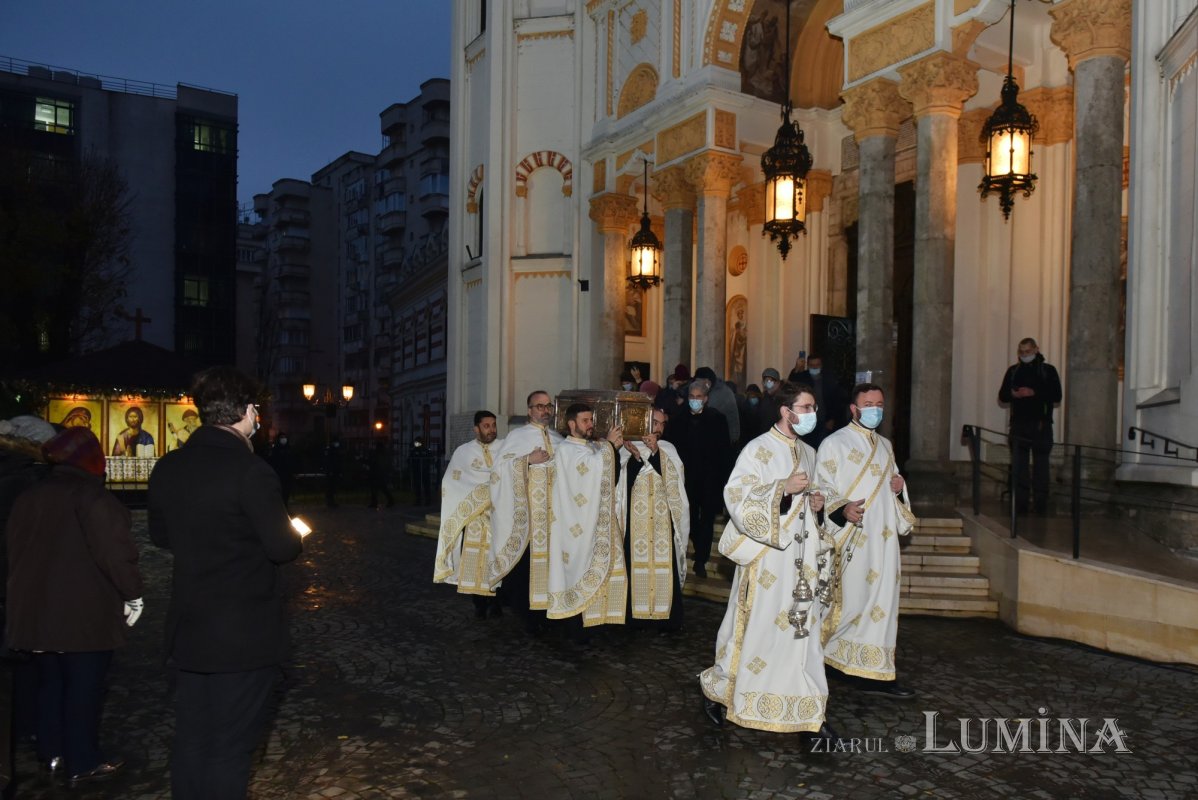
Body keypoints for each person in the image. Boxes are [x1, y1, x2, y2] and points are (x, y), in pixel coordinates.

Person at [148, 366, 303, 800]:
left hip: (189, 629)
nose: (260, 418)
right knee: (229, 749)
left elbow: (161, 536)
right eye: (258, 409)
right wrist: (292, 531)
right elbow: (281, 548)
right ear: (246, 412)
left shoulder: (169, 466)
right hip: (241, 635)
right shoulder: (250, 471)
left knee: (192, 740)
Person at [700, 382, 838, 743]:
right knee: (755, 628)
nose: (812, 414)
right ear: (785, 411)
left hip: (802, 561)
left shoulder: (809, 452)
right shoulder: (757, 450)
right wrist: (781, 490)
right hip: (767, 561)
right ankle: (724, 693)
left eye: (813, 408)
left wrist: (817, 504)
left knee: (801, 634)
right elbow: (736, 496)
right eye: (805, 408)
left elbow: (815, 494)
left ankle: (808, 712)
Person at [7, 428, 143, 788]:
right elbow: (115, 553)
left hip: (35, 612)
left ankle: (50, 751)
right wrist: (133, 594)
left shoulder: (30, 496)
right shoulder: (92, 498)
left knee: (50, 682)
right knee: (84, 686)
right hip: (82, 612)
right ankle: (81, 759)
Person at [816, 383, 917, 698]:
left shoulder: (886, 445)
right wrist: (842, 508)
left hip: (884, 542)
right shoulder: (835, 443)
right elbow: (822, 487)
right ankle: (832, 659)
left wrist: (900, 488)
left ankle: (875, 672)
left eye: (879, 404)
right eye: (868, 403)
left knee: (882, 604)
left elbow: (893, 486)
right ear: (854, 408)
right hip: (853, 539)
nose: (875, 409)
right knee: (852, 604)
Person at [486, 390, 564, 632]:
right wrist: (527, 460)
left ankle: (552, 609)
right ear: (529, 410)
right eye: (539, 406)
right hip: (528, 518)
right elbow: (498, 471)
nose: (545, 410)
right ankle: (528, 613)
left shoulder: (558, 437)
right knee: (527, 567)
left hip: (553, 518)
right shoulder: (517, 436)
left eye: (548, 406)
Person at [545, 403, 627, 626]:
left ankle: (600, 620)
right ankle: (576, 623)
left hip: (595, 521)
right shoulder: (566, 449)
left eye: (591, 420)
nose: (591, 425)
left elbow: (607, 475)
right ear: (572, 424)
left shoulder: (591, 448)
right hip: (576, 526)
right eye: (585, 421)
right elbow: (588, 472)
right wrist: (609, 446)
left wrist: (611, 449)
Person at [619, 407, 689, 631]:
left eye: (662, 424)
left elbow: (675, 483)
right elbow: (621, 484)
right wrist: (637, 458)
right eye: (655, 423)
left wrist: (657, 452)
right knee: (633, 564)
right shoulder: (627, 448)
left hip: (661, 523)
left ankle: (666, 619)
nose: (659, 427)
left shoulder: (668, 449)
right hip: (635, 522)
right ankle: (635, 618)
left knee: (665, 566)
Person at [434, 410, 503, 619]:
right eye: (486, 426)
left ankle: (497, 603)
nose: (491, 430)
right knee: (475, 561)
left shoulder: (505, 449)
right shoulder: (463, 452)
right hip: (474, 518)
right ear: (476, 429)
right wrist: (475, 498)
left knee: (498, 560)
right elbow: (451, 482)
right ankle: (479, 604)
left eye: (493, 425)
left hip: (499, 517)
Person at [663, 381, 734, 579]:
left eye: (698, 397)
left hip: (710, 478)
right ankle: (697, 544)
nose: (695, 400)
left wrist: (724, 479)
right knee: (692, 517)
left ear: (706, 398)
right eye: (692, 397)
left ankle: (701, 560)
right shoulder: (678, 420)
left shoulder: (717, 419)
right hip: (687, 479)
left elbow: (725, 452)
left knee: (708, 519)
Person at [998, 338, 1062, 515]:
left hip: (1041, 424)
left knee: (1041, 466)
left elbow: (1057, 395)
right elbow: (1002, 396)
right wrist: (1013, 394)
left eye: (1027, 351)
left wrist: (1034, 392)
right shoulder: (1013, 371)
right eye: (1022, 352)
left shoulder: (1048, 371)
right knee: (1019, 466)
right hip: (1019, 424)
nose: (1025, 355)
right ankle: (1020, 505)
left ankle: (1041, 505)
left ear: (1036, 349)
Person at [790, 354, 847, 448]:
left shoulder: (829, 379)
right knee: (807, 447)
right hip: (807, 419)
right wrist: (796, 368)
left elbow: (835, 400)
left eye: (817, 365)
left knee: (823, 447)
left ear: (821, 365)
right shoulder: (802, 377)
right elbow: (791, 385)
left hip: (824, 421)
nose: (814, 367)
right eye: (812, 365)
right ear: (807, 365)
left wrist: (831, 419)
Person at [693, 366, 739, 446]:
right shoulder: (713, 389)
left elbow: (704, 414)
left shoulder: (721, 393)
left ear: (707, 382)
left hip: (724, 439)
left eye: (698, 382)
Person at [268, 433, 296, 506]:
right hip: (279, 475)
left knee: (287, 491)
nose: (283, 439)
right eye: (282, 438)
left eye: (285, 437)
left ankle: (285, 505)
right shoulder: (276, 450)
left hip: (288, 475)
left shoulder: (289, 449)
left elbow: (293, 461)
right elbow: (273, 461)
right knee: (280, 491)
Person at [755, 367, 783, 437]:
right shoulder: (764, 398)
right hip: (765, 436)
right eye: (766, 381)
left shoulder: (783, 399)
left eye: (770, 381)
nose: (767, 383)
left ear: (778, 382)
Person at [367, 440, 394, 509]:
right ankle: (376, 502)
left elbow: (373, 462)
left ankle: (375, 502)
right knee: (381, 488)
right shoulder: (383, 453)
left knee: (377, 488)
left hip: (377, 473)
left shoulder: (378, 454)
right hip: (380, 473)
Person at [323, 438, 343, 508]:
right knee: (330, 487)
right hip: (331, 472)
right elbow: (329, 462)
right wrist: (330, 470)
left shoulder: (335, 451)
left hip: (334, 472)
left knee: (333, 487)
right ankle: (330, 501)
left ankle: (332, 501)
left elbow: (338, 462)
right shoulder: (330, 450)